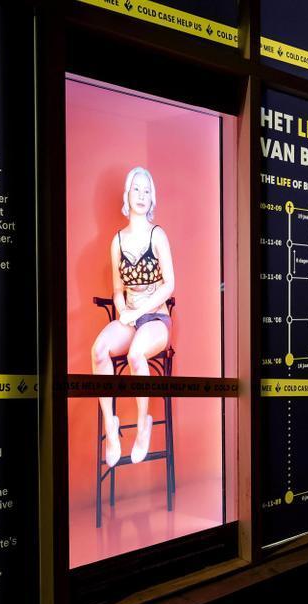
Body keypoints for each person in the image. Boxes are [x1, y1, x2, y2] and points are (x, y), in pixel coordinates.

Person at [90, 167, 175, 466]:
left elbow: (170, 284)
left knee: (136, 354)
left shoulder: (157, 234)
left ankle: (142, 426)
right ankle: (111, 428)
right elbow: (116, 289)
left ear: (152, 197)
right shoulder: (117, 241)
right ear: (127, 195)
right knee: (99, 350)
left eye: (146, 190)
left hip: (155, 320)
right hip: (131, 317)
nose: (141, 195)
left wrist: (141, 310)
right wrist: (124, 309)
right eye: (135, 189)